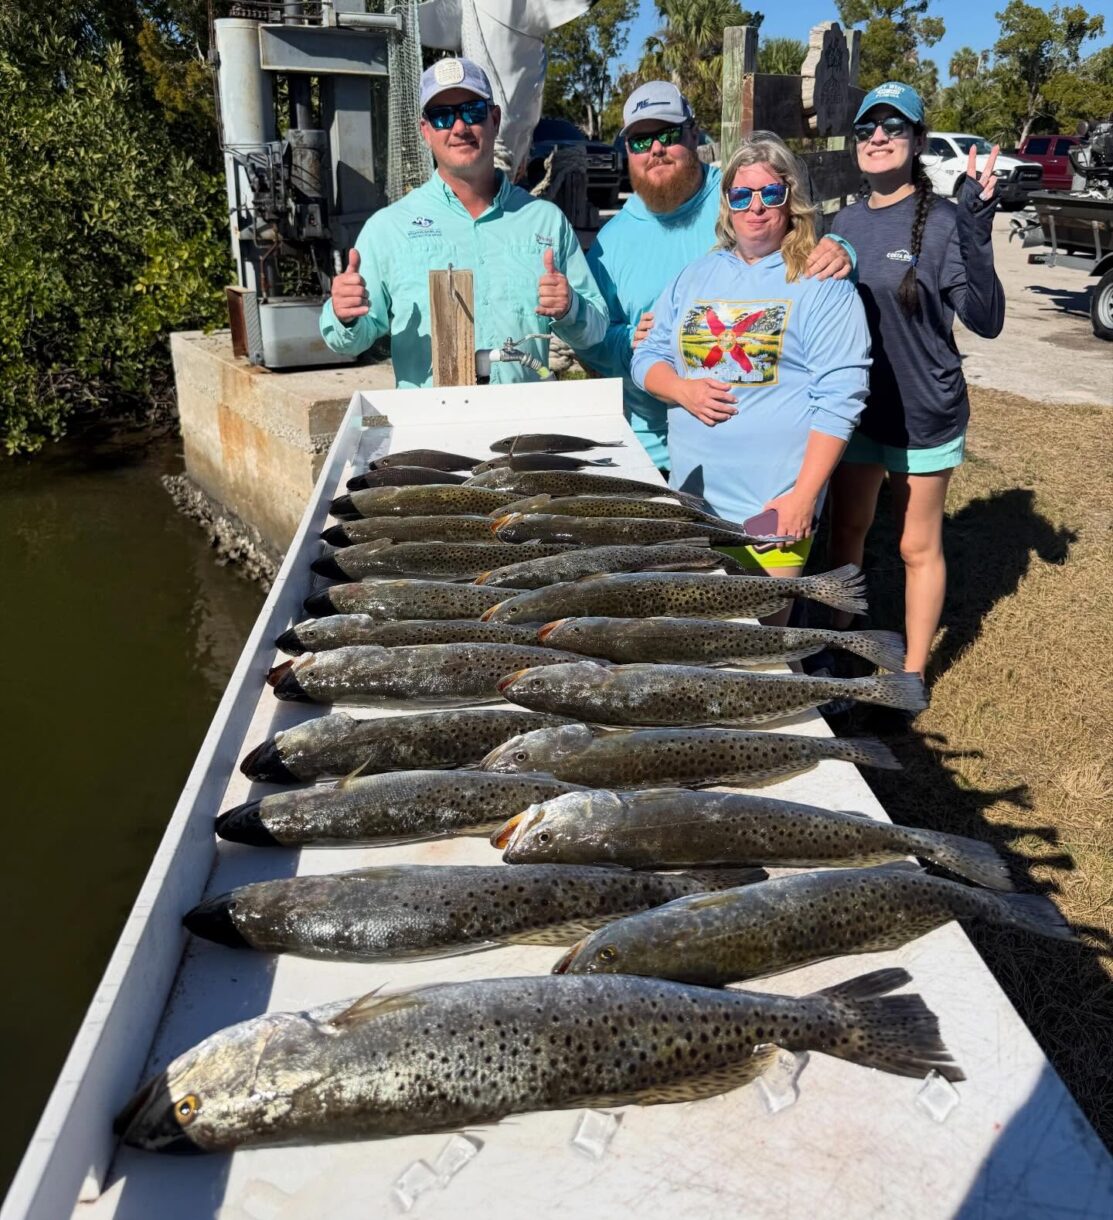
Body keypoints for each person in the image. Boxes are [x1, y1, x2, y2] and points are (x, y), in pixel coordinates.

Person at [630, 134, 871, 621]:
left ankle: (817, 678)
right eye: (742, 195)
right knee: (700, 626)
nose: (755, 207)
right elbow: (646, 356)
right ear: (726, 204)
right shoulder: (694, 276)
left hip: (774, 501)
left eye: (770, 194)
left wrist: (804, 495)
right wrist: (680, 388)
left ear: (791, 200)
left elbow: (842, 398)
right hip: (693, 500)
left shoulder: (821, 282)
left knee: (760, 632)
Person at [580, 81, 855, 472]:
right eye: (640, 141)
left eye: (668, 135)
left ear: (693, 133)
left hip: (759, 454)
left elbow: (803, 239)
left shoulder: (739, 196)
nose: (655, 149)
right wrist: (627, 341)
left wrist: (843, 248)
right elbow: (594, 341)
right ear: (626, 151)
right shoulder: (611, 242)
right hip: (650, 448)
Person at [826, 83, 1004, 679]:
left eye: (894, 127)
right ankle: (838, 636)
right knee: (848, 526)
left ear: (917, 141)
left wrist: (978, 233)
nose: (878, 137)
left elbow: (987, 319)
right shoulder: (841, 222)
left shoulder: (947, 222)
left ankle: (912, 672)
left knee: (913, 546)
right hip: (855, 410)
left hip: (924, 412)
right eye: (867, 128)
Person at [320, 57, 607, 385]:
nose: (459, 128)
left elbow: (595, 329)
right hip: (433, 429)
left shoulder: (545, 222)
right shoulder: (388, 228)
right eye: (442, 117)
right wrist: (344, 315)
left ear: (494, 119)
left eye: (472, 111)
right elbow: (352, 341)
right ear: (425, 131)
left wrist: (571, 307)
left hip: (524, 425)